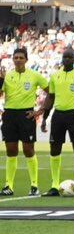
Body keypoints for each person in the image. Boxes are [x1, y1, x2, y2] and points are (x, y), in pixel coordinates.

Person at [37, 48, 74, 197]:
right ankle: (55, 186)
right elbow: (50, 97)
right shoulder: (55, 76)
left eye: (70, 57)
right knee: (54, 149)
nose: (66, 59)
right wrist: (44, 118)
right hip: (58, 115)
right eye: (64, 57)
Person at [0, 48, 47, 196]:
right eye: (16, 57)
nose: (18, 60)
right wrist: (0, 80)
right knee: (11, 150)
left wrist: (39, 110)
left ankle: (34, 185)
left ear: (26, 60)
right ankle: (9, 186)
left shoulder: (34, 76)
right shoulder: (7, 76)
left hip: (26, 115)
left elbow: (50, 92)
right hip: (9, 115)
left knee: (28, 150)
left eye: (21, 57)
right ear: (13, 60)